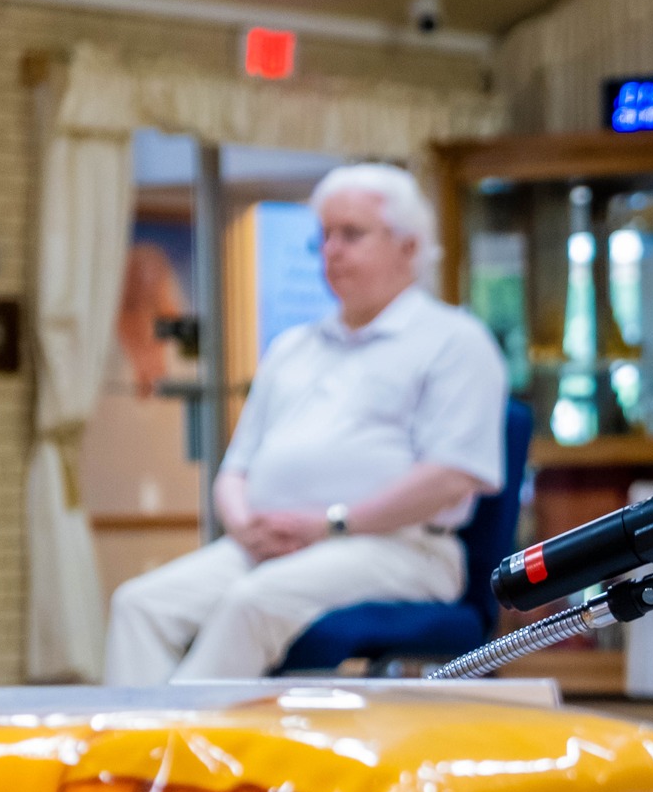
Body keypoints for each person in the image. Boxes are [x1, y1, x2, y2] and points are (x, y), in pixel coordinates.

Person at [102, 164, 507, 685]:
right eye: (325, 236)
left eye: (351, 234)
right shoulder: (293, 347)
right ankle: (143, 736)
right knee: (139, 604)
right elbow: (236, 468)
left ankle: (183, 734)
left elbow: (452, 475)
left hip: (398, 549)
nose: (331, 251)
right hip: (268, 546)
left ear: (408, 247)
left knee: (252, 602)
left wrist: (332, 523)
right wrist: (243, 523)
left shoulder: (455, 341)